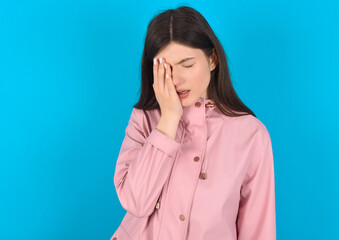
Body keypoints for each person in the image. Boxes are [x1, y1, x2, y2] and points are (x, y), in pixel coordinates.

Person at [110, 6, 276, 240]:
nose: (176, 79)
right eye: (165, 68)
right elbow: (135, 202)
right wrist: (168, 120)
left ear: (212, 60)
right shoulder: (145, 119)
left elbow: (258, 231)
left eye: (187, 65)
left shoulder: (251, 135)